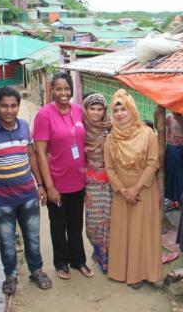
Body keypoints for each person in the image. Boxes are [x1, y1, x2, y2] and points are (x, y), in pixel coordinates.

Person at [0, 86, 52, 294]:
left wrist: (40, 184)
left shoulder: (25, 127)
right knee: (7, 241)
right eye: (4, 106)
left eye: (13, 106)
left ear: (19, 106)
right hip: (0, 200)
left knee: (32, 237)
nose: (9, 110)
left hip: (27, 196)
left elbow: (32, 155)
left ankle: (36, 270)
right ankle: (11, 275)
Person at [33, 73, 93, 280]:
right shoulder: (44, 115)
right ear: (52, 90)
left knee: (76, 226)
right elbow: (40, 152)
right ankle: (61, 262)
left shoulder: (78, 111)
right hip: (57, 182)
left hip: (78, 182)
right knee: (59, 227)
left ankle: (79, 261)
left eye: (66, 88)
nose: (63, 93)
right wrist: (48, 186)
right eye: (58, 89)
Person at [104, 89, 162, 289]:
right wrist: (122, 190)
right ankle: (123, 272)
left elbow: (153, 163)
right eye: (116, 110)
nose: (120, 114)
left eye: (124, 109)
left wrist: (135, 189)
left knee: (142, 232)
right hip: (121, 193)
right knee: (123, 233)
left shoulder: (147, 134)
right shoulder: (111, 138)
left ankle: (144, 273)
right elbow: (109, 168)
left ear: (132, 110)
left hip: (143, 190)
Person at [83, 93, 112, 274]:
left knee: (109, 222)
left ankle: (107, 259)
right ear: (86, 110)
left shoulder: (110, 128)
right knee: (93, 225)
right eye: (92, 108)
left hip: (111, 183)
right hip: (90, 184)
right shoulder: (80, 129)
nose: (96, 113)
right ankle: (97, 251)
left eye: (99, 109)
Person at [164, 112, 183, 206]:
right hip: (170, 149)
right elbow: (157, 126)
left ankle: (181, 200)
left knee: (182, 176)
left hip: (181, 150)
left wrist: (180, 122)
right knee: (169, 174)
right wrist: (157, 115)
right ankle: (169, 198)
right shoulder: (168, 117)